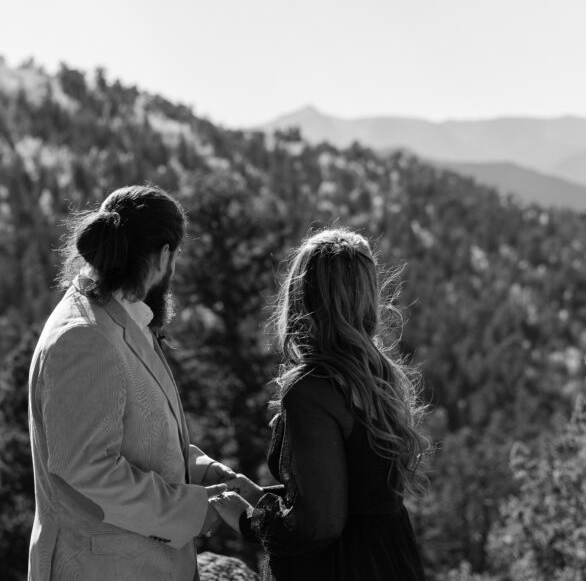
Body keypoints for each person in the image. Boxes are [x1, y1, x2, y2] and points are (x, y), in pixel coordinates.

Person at [27, 185, 245, 581]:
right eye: (176, 256)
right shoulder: (84, 337)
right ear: (164, 256)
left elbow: (137, 436)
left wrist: (207, 473)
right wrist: (196, 510)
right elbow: (89, 468)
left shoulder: (118, 318)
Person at [213, 228, 431, 580]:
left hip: (341, 566)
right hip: (389, 557)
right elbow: (349, 490)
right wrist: (258, 495)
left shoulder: (311, 389)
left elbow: (320, 524)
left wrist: (248, 521)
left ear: (302, 297)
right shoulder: (376, 373)